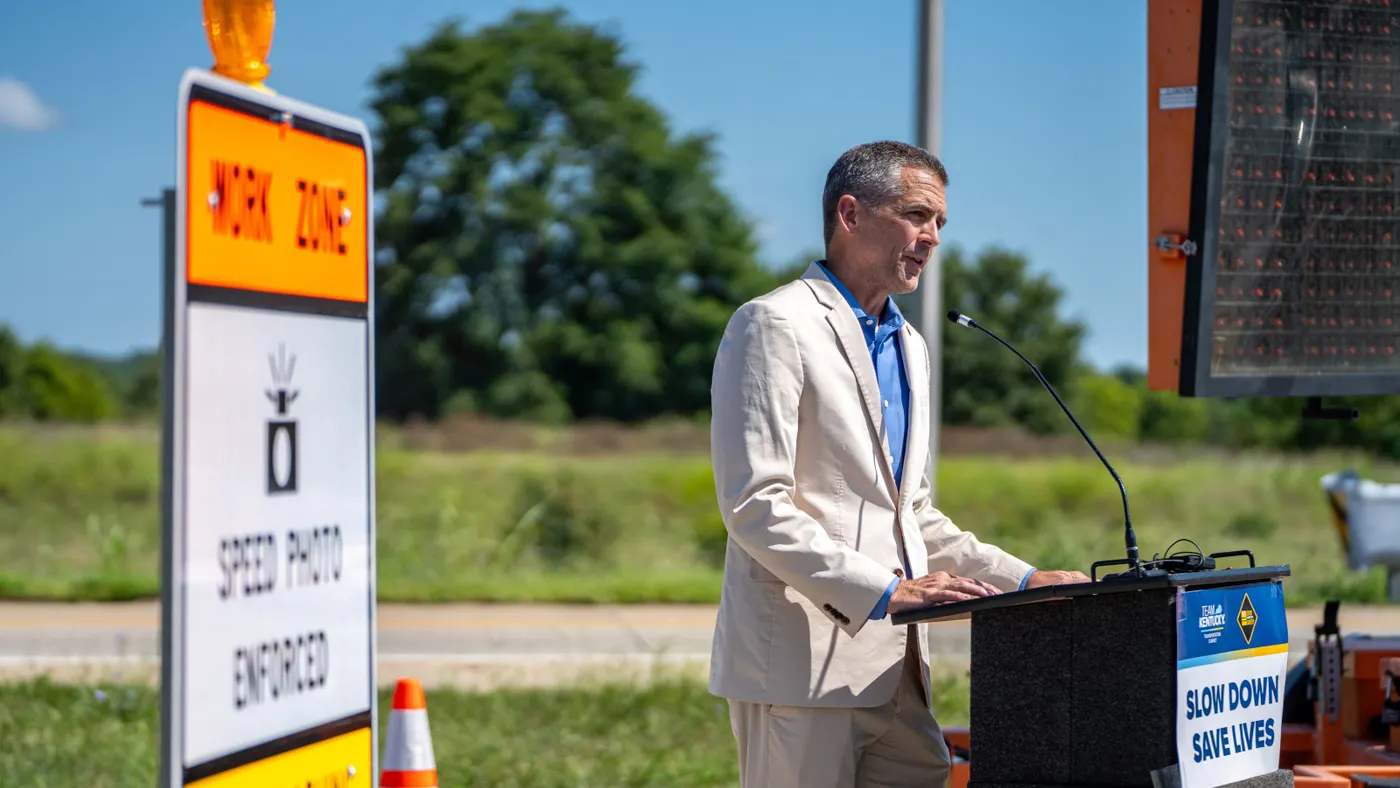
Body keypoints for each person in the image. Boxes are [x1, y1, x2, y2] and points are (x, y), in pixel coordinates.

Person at [707, 140, 1091, 788]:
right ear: (851, 214)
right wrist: (886, 592)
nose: (932, 237)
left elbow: (909, 513)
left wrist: (1026, 584)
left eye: (940, 222)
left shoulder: (911, 345)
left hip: (900, 674)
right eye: (917, 215)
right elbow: (755, 504)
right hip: (803, 672)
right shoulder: (774, 324)